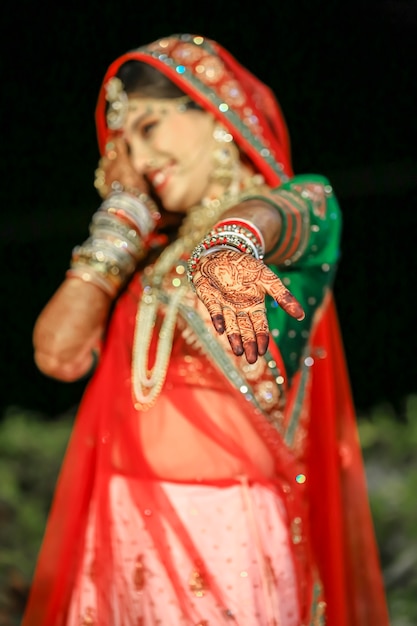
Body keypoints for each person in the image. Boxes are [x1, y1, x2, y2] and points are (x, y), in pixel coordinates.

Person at [22, 34, 390, 626]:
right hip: (119, 527)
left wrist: (231, 240)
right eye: (124, 144)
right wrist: (122, 219)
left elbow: (275, 217)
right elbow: (57, 353)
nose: (139, 161)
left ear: (213, 113)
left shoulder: (302, 207)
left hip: (226, 537)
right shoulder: (148, 263)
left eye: (149, 127)